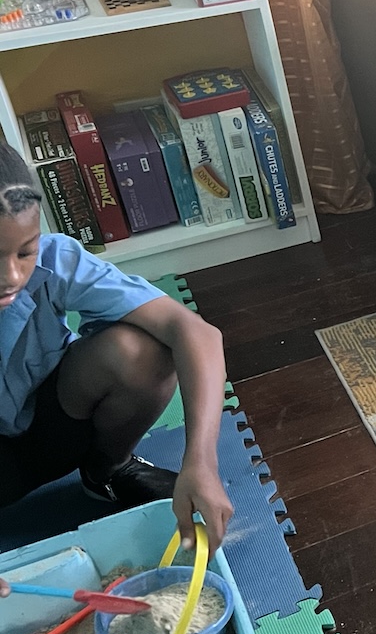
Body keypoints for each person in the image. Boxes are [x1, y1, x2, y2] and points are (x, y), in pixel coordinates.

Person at [0, 143, 231, 549]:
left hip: (47, 430)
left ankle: (106, 470)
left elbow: (194, 332)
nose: (12, 276)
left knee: (141, 352)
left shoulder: (57, 259)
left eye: (26, 251)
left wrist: (202, 461)